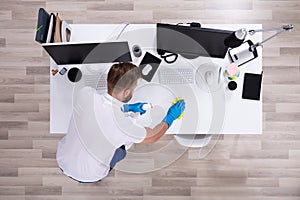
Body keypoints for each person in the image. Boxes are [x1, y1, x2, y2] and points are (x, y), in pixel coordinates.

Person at [56, 62, 185, 183]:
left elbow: (104, 109)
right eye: (134, 88)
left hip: (63, 160)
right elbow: (153, 136)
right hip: (91, 175)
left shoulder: (86, 94)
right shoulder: (123, 126)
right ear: (127, 92)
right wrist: (170, 117)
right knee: (122, 149)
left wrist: (127, 108)